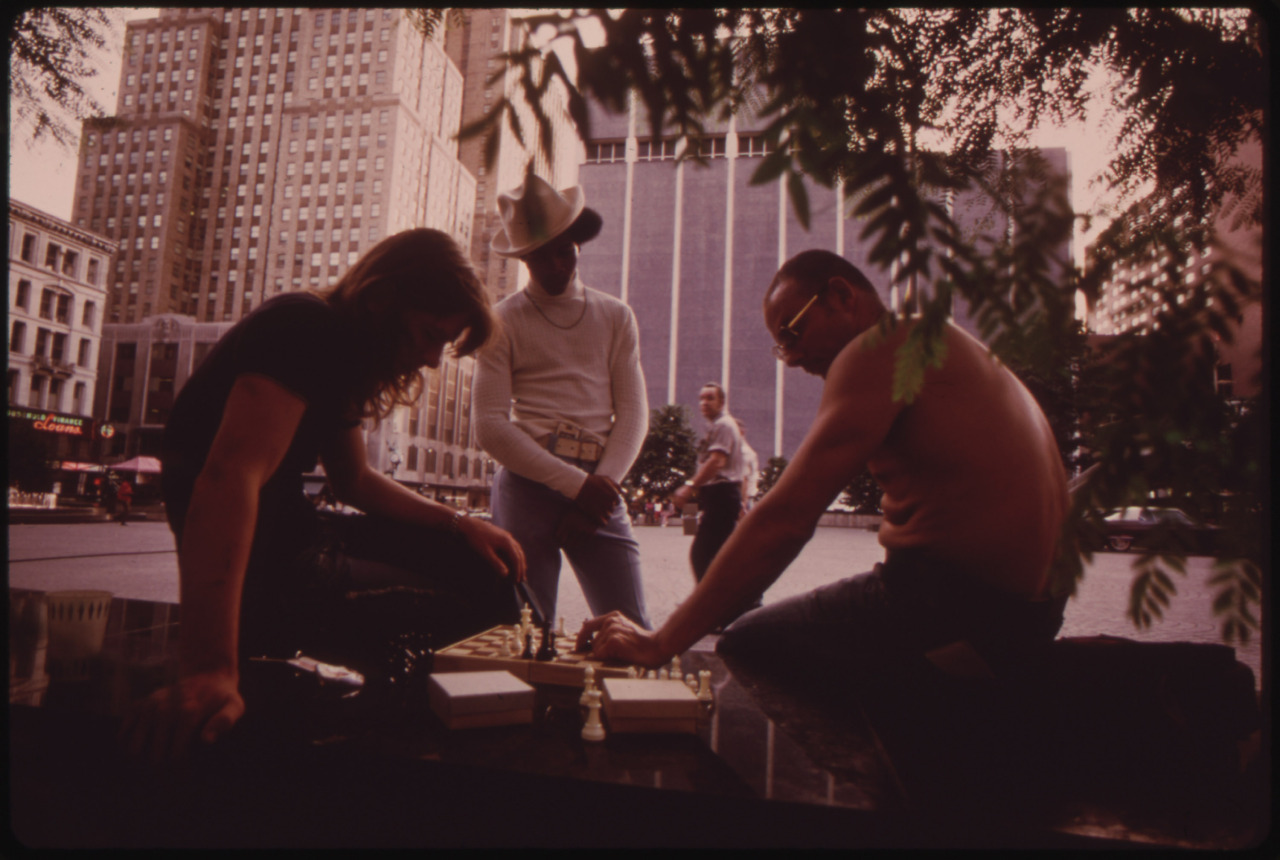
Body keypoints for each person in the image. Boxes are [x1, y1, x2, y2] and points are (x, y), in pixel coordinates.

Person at [579, 249, 1070, 696]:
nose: (790, 358)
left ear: (840, 296)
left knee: (746, 643)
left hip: (953, 605)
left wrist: (659, 641)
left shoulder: (880, 346)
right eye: (780, 346)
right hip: (1036, 612)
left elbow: (786, 518)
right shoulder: (939, 343)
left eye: (792, 332)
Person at [122, 229, 527, 761]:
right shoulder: (305, 327)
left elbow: (354, 480)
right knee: (484, 588)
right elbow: (228, 479)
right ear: (382, 298)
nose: (432, 359)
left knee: (483, 557)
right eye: (428, 334)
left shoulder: (340, 348)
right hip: (278, 572)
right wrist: (210, 669)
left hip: (300, 538)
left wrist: (460, 523)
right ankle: (458, 757)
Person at [474, 174, 651, 629]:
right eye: (539, 256)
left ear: (577, 243)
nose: (555, 265)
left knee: (630, 624)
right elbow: (491, 426)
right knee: (526, 632)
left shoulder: (616, 315)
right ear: (522, 257)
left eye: (563, 250)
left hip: (599, 482)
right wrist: (579, 488)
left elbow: (632, 413)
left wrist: (597, 491)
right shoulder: (502, 319)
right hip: (529, 483)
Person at [670, 383, 750, 584]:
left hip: (721, 494)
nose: (704, 403)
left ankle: (708, 604)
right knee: (722, 554)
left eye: (710, 398)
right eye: (701, 398)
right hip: (721, 496)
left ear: (721, 402)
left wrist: (690, 485)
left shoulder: (723, 425)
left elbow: (717, 461)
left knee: (702, 554)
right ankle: (738, 601)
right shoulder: (718, 425)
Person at [737, 418, 760, 516]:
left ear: (742, 432)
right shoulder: (746, 452)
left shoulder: (744, 453)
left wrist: (743, 503)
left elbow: (744, 480)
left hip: (743, 500)